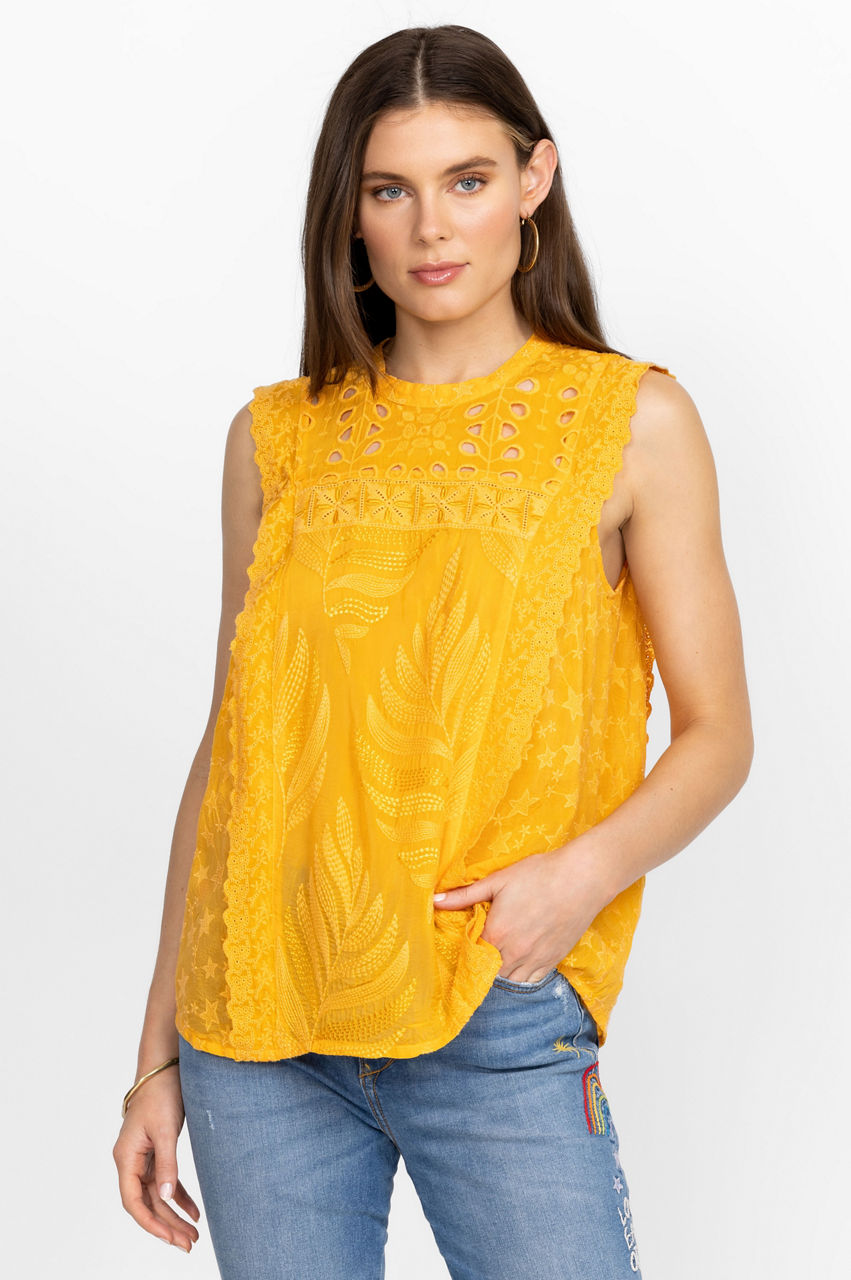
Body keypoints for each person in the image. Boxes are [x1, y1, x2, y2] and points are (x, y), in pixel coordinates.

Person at [113, 23, 753, 1280]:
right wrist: (157, 1053)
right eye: (389, 191)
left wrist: (577, 877)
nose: (430, 228)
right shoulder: (274, 439)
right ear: (347, 211)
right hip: (259, 1030)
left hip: (492, 1008)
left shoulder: (630, 422)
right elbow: (233, 748)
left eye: (466, 179)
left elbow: (717, 734)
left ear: (533, 178)